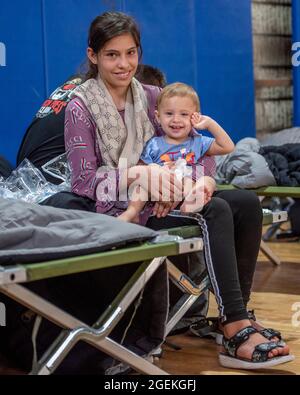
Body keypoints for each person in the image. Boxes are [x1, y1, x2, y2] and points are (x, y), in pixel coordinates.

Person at [8, 12, 293, 372]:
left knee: (245, 202)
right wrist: (140, 173)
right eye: (112, 54)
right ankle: (236, 326)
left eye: (131, 53)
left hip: (166, 193)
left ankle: (233, 316)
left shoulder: (154, 95)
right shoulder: (80, 106)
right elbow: (83, 182)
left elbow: (191, 144)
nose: (124, 64)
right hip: (117, 203)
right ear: (93, 56)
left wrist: (204, 179)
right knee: (217, 212)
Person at [118, 82, 234, 222]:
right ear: (158, 117)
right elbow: (142, 169)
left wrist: (208, 123)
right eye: (169, 113)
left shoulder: (198, 141)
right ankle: (132, 212)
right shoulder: (153, 144)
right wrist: (152, 169)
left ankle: (192, 202)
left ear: (194, 117)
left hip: (186, 187)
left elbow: (227, 147)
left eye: (184, 114)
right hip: (161, 188)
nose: (176, 119)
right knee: (140, 183)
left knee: (207, 180)